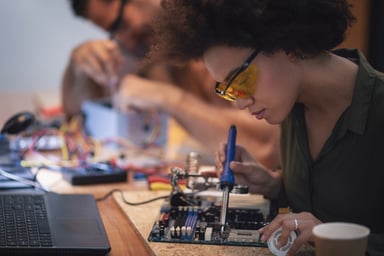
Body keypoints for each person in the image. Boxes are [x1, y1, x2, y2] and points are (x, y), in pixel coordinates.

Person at [150, 0, 384, 255]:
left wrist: (330, 237)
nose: (239, 102)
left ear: (288, 45)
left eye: (239, 80)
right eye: (227, 90)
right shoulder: (292, 106)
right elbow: (321, 198)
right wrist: (273, 185)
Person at [62, 0, 280, 168]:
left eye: (121, 23)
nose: (125, 41)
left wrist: (168, 98)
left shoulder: (228, 29)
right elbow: (77, 119)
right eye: (113, 32)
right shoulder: (147, 45)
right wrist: (78, 65)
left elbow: (266, 149)